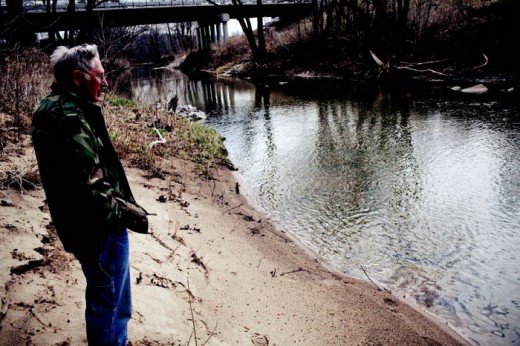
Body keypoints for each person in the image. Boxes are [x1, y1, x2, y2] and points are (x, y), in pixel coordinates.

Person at [31, 43, 147, 346]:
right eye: (100, 76)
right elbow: (89, 187)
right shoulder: (67, 115)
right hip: (98, 228)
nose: (106, 83)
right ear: (78, 78)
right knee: (111, 303)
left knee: (102, 295)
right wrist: (123, 212)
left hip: (81, 225)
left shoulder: (53, 105)